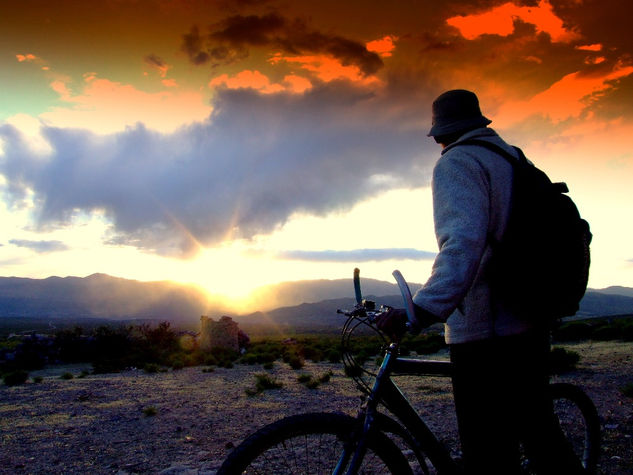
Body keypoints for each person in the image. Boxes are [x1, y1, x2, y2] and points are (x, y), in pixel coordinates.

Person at [377, 89, 585, 474]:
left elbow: (462, 244)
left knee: (488, 449)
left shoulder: (458, 162)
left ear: (439, 132)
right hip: (528, 314)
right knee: (540, 435)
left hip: (488, 329)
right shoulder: (509, 155)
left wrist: (422, 309)